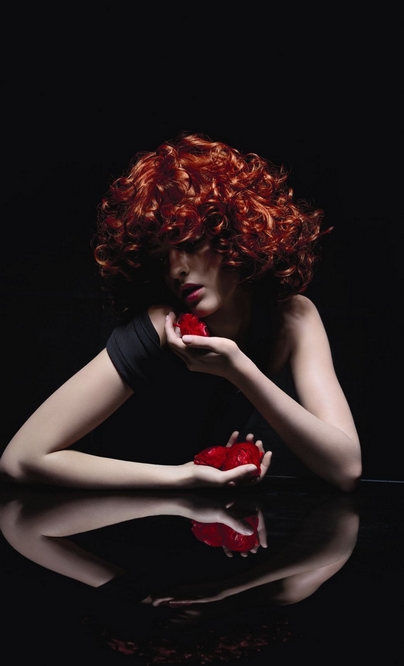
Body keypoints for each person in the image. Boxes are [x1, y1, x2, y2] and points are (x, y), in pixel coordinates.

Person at [0, 133, 362, 492]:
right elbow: (21, 458)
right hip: (106, 514)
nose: (176, 269)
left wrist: (240, 371)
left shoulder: (292, 318)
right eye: (162, 258)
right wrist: (183, 476)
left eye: (189, 244)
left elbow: (345, 468)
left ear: (232, 234)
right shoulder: (162, 324)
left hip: (201, 518)